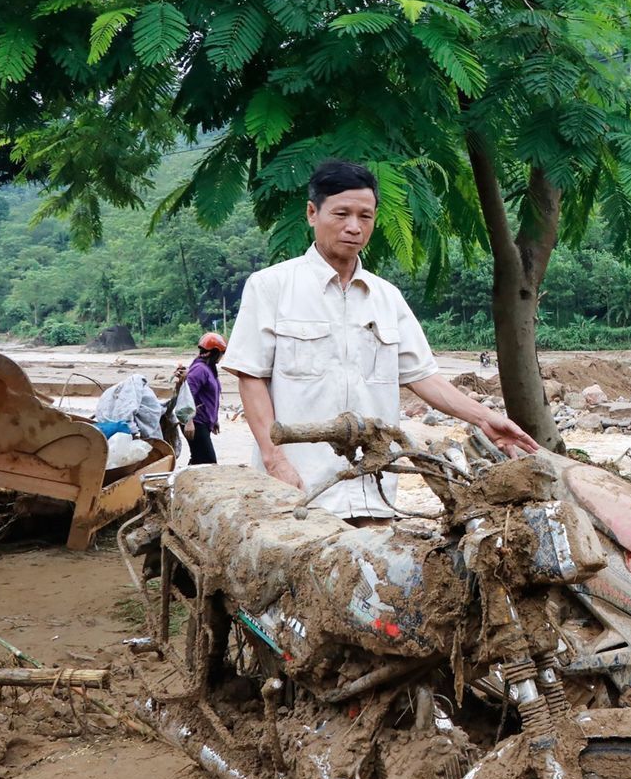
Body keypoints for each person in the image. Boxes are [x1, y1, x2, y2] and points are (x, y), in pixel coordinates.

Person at [221, 159, 538, 519]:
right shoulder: (271, 287)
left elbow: (423, 376)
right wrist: (274, 459)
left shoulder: (386, 297)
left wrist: (484, 418)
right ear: (312, 213)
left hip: (373, 493)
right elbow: (251, 377)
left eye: (365, 216)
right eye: (341, 214)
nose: (354, 227)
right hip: (296, 495)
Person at [182, 333, 226, 465]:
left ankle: (183, 484)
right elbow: (187, 394)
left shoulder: (208, 369)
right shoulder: (200, 369)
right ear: (215, 352)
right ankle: (185, 483)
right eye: (221, 353)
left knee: (198, 459)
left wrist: (214, 419)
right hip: (195, 422)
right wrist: (189, 422)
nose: (222, 357)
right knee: (208, 461)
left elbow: (210, 397)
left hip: (203, 422)